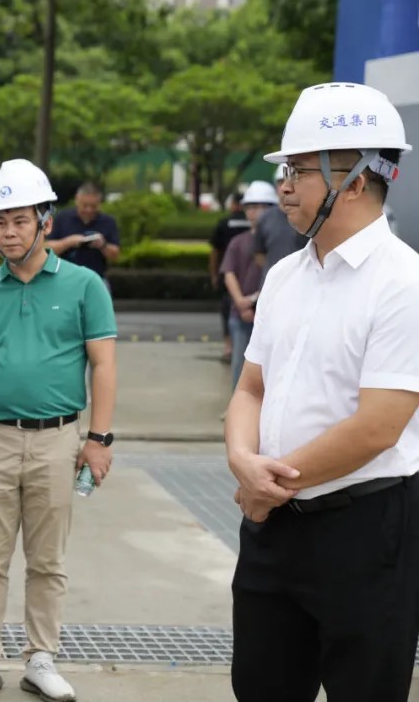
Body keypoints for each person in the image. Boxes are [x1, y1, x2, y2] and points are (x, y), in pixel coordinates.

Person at [226, 82, 419, 701]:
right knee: (261, 686)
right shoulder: (285, 275)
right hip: (272, 527)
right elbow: (251, 388)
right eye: (285, 170)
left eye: (299, 171)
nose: (283, 186)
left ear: (357, 179)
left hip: (365, 530)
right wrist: (242, 461)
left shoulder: (404, 284)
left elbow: (378, 426)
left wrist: (265, 485)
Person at [0, 159, 117, 701]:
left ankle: (41, 657)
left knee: (47, 560)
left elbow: (103, 365)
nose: (8, 232)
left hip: (58, 439)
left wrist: (99, 439)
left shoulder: (85, 285)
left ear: (46, 222)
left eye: (20, 220)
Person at [219, 180, 277, 389]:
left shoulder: (279, 240)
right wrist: (241, 302)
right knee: (240, 366)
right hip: (240, 315)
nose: (257, 212)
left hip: (270, 313)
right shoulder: (238, 241)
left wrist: (256, 301)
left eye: (264, 206)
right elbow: (229, 273)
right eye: (252, 206)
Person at [44, 181, 120, 280]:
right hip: (65, 277)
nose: (89, 210)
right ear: (77, 200)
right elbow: (46, 249)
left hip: (97, 277)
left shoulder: (108, 222)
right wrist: (69, 242)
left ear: (99, 203)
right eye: (85, 205)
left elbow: (115, 256)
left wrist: (103, 245)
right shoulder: (62, 218)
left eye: (93, 206)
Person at [208, 194, 250, 360]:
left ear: (233, 204)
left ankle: (228, 346)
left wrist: (214, 274)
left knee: (227, 309)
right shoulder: (255, 223)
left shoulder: (224, 223)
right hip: (251, 275)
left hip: (228, 272)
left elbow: (214, 251)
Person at [252, 163, 307, 286]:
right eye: (281, 182)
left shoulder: (309, 216)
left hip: (303, 284)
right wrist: (278, 271)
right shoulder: (265, 218)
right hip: (272, 285)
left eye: (292, 180)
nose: (285, 186)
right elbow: (259, 254)